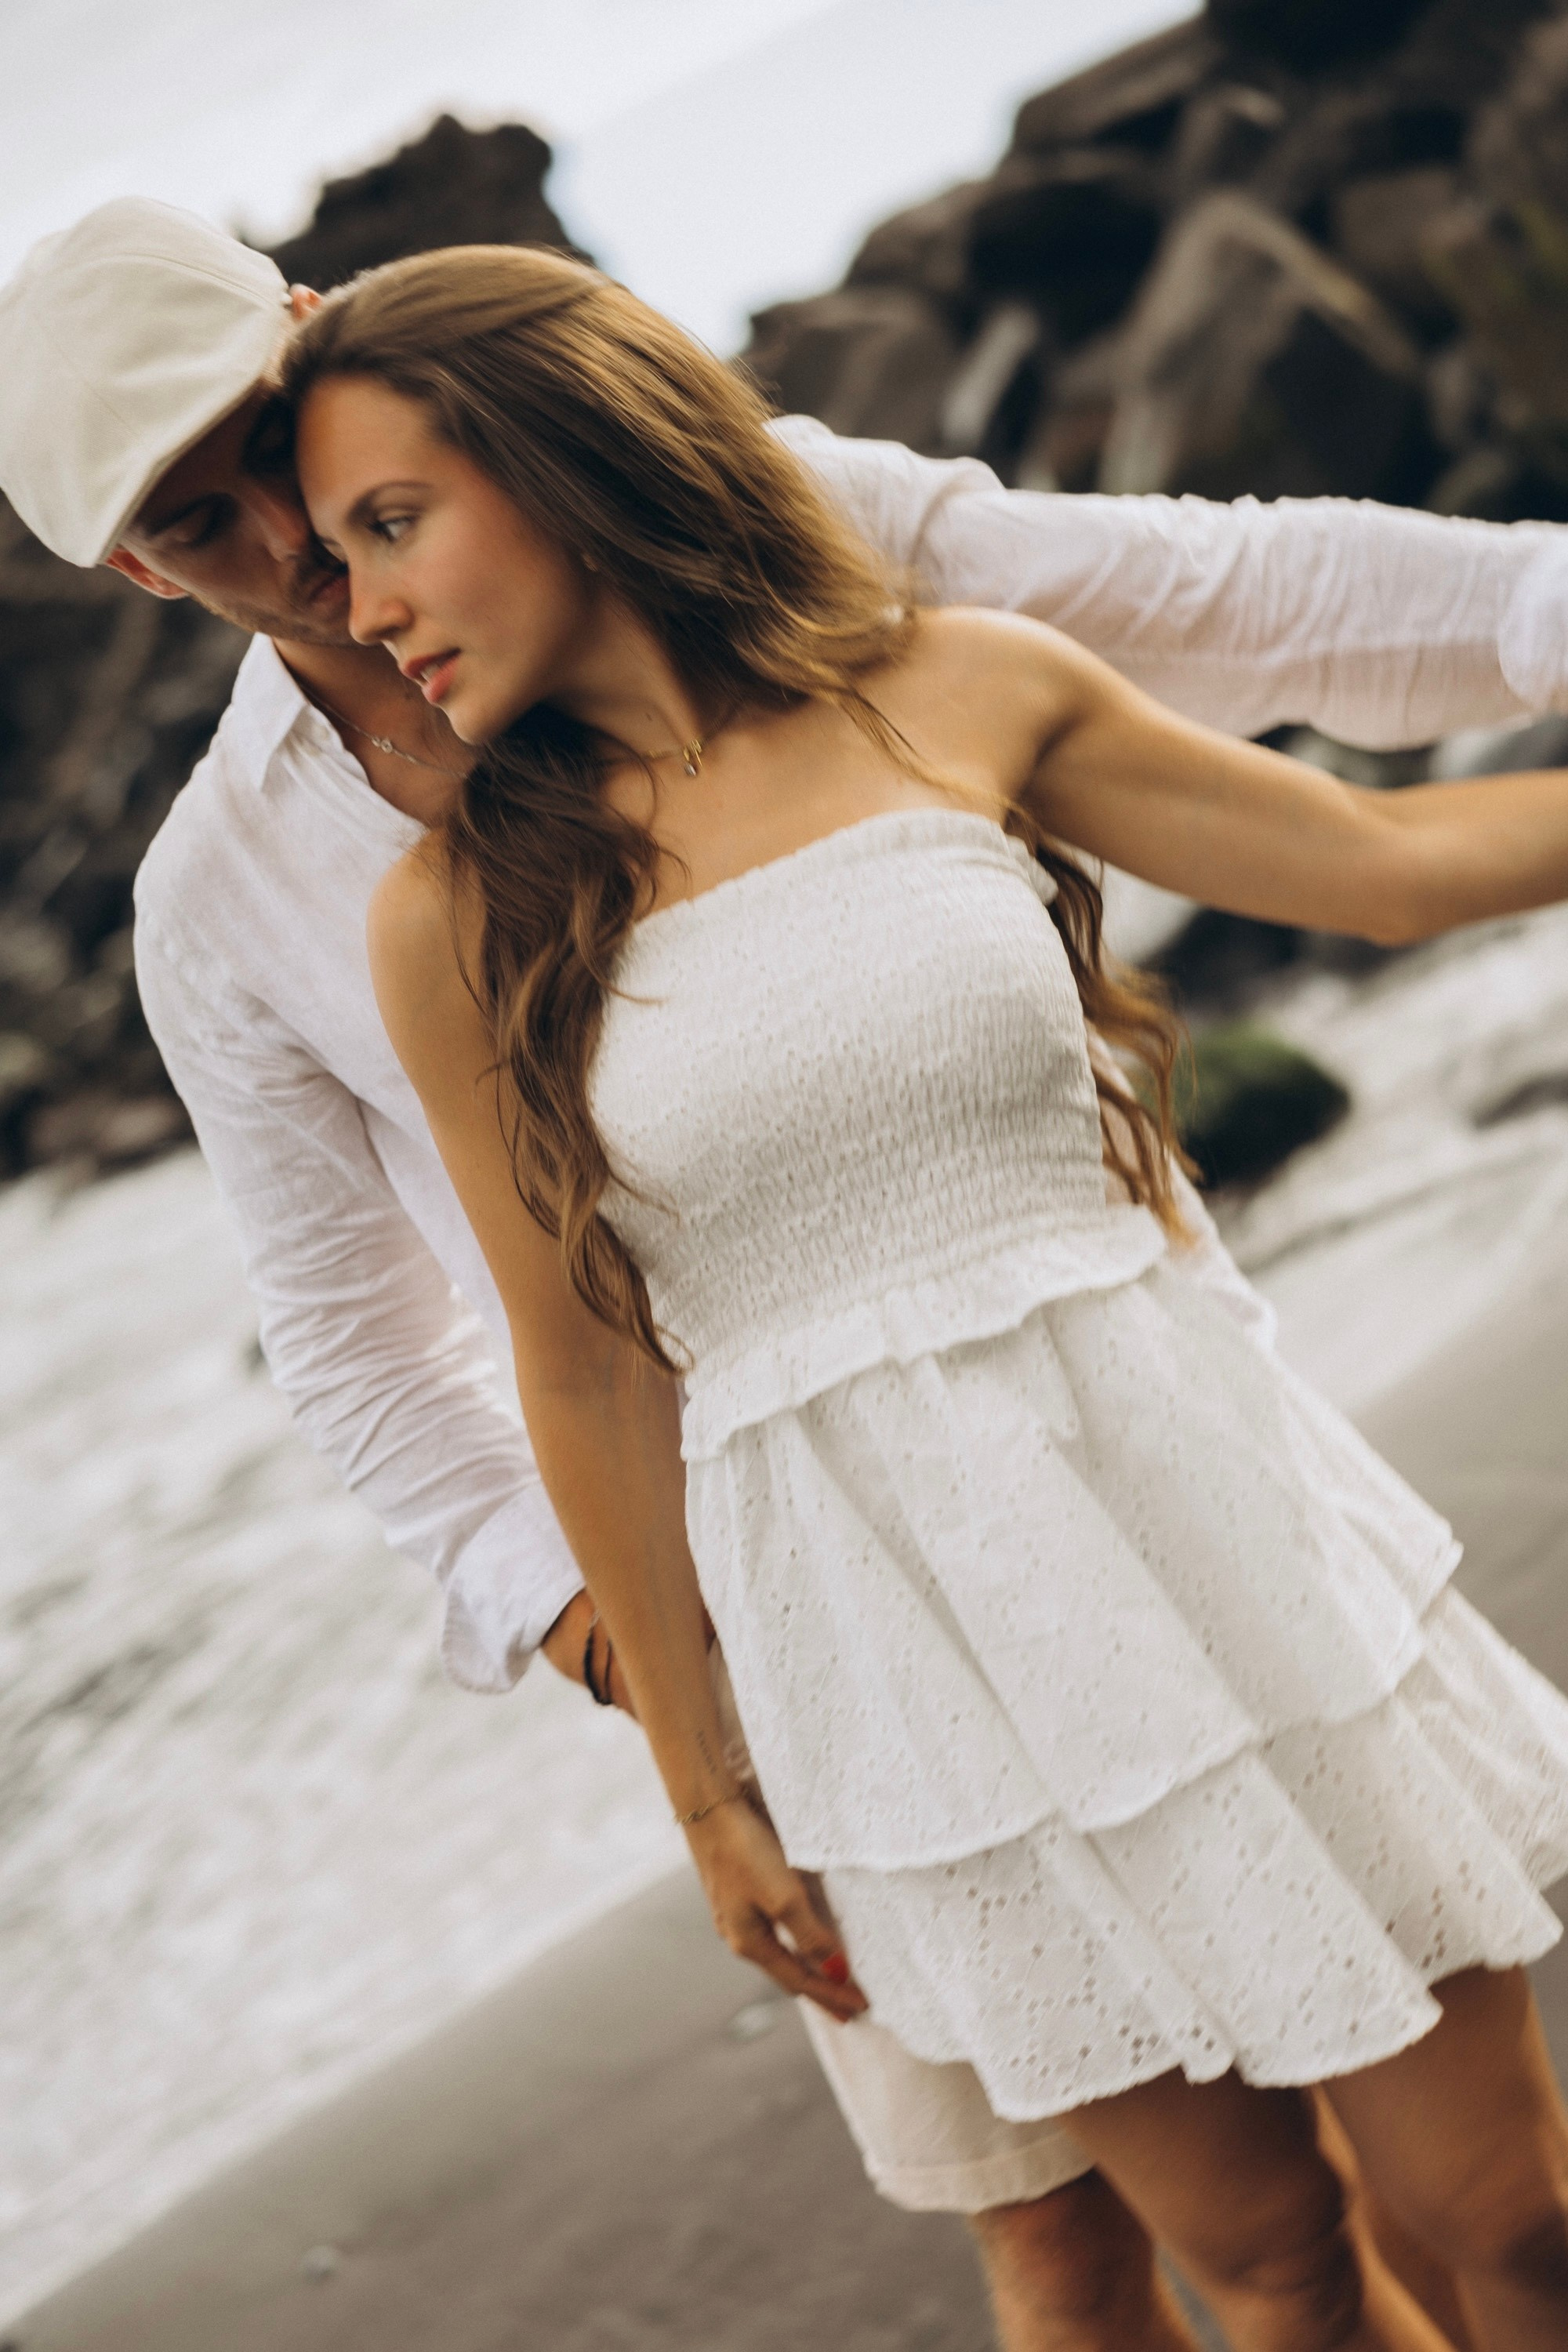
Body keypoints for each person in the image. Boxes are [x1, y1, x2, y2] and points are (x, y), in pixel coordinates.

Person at [4, 197, 1563, 2352]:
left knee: (1473, 2200)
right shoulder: (268, 902)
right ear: (132, 571)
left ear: (321, 337)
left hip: (1144, 1451)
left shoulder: (801, 544)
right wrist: (660, 1685)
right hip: (807, 1608)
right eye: (205, 526)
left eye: (293, 459)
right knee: (1126, 2243)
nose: (298, 549)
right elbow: (395, 1351)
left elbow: (1226, 609)